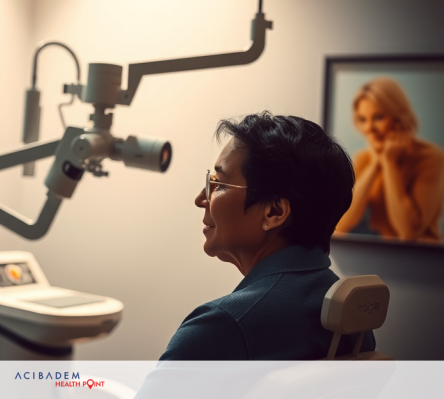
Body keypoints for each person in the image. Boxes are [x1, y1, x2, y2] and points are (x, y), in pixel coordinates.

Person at [160, 112, 374, 360]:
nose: (201, 199)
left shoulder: (221, 327)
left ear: (274, 212)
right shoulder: (351, 316)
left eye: (219, 184)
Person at [335, 77, 444, 242]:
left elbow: (408, 232)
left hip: (423, 261)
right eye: (363, 120)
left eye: (378, 117)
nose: (369, 128)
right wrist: (376, 163)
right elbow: (340, 224)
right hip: (378, 255)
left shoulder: (430, 157)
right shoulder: (364, 158)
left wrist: (389, 163)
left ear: (398, 118)